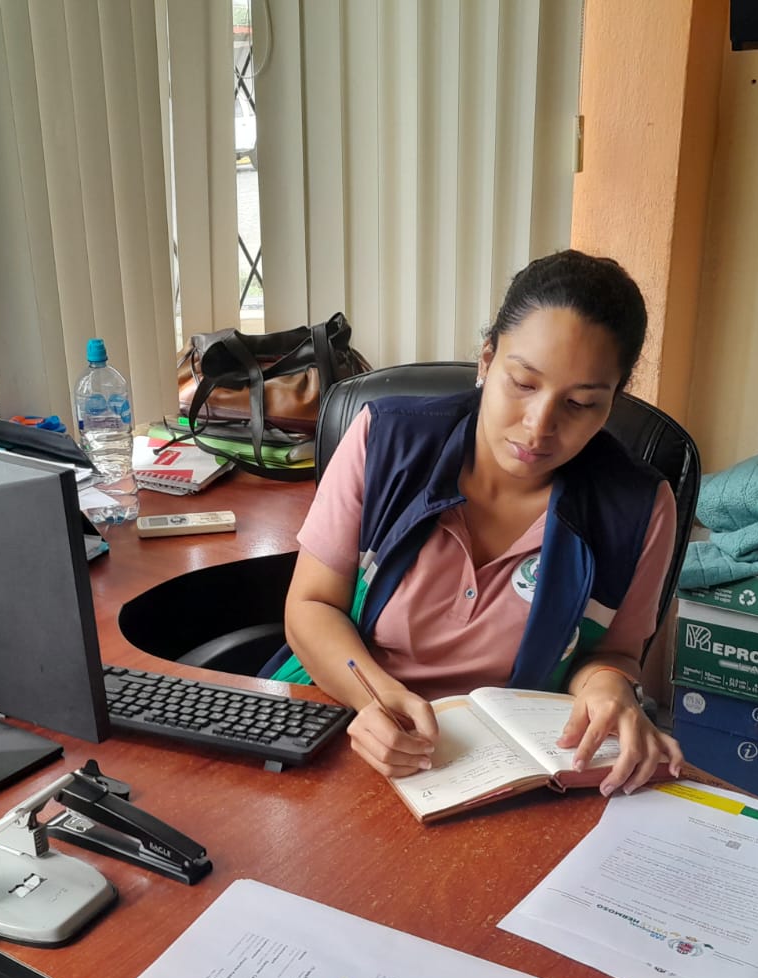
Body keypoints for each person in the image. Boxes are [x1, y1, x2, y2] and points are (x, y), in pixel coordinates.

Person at [272, 249, 684, 796]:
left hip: (503, 768)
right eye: (523, 383)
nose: (539, 426)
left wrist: (610, 687)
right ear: (487, 360)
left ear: (613, 403)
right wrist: (375, 697)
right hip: (344, 722)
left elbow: (613, 655)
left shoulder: (638, 508)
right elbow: (310, 605)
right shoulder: (384, 441)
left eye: (581, 403)